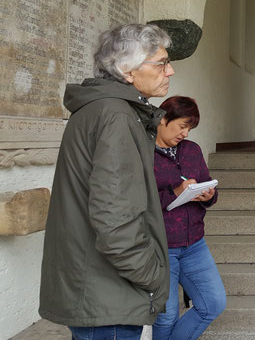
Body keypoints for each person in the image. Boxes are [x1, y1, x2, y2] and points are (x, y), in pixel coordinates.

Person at [39, 23, 174, 339]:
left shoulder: (100, 108)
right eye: (162, 63)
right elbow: (114, 219)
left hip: (96, 290)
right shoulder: (116, 116)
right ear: (128, 71)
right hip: (107, 294)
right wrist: (153, 275)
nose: (170, 72)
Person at [152, 96, 226, 339]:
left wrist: (207, 195)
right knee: (166, 316)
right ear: (163, 119)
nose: (185, 133)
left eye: (189, 128)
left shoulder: (192, 150)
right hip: (160, 246)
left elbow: (208, 189)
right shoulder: (142, 152)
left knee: (213, 304)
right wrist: (174, 192)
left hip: (195, 243)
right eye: (182, 126)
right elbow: (135, 200)